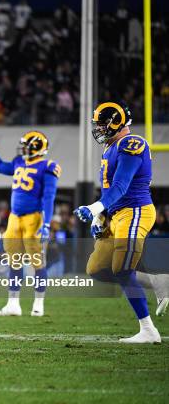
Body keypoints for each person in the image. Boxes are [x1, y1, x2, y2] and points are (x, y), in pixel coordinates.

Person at [75, 101, 168, 343]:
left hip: (135, 211)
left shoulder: (131, 143)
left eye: (103, 124)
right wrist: (100, 215)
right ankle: (159, 282)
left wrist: (94, 207)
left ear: (116, 122)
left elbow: (121, 186)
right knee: (97, 269)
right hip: (115, 215)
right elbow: (109, 189)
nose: (99, 129)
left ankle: (148, 330)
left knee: (123, 269)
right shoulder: (111, 147)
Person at [0, 128, 60, 317]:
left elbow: (49, 197)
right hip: (14, 218)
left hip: (34, 218)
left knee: (38, 262)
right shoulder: (19, 162)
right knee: (14, 262)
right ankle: (13, 304)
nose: (22, 149)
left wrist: (46, 224)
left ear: (36, 147)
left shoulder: (48, 166)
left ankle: (38, 304)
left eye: (26, 146)